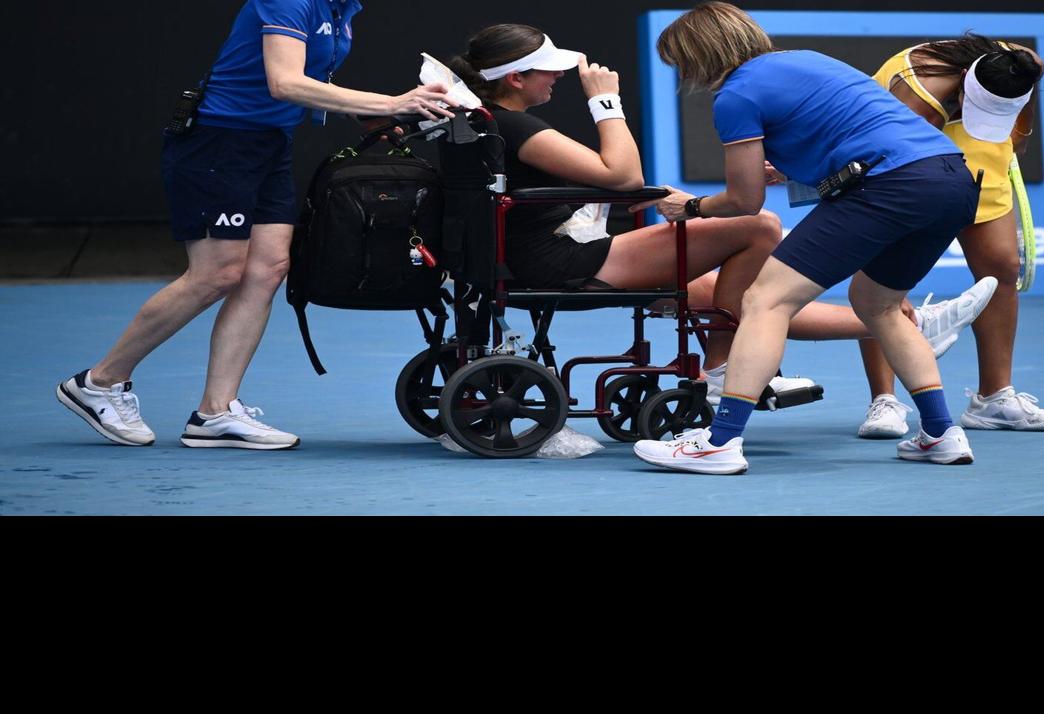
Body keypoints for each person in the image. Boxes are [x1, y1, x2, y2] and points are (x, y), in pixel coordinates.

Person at [443, 24, 993, 405]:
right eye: (550, 73)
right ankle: (723, 373)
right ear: (515, 78)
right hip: (554, 258)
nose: (559, 79)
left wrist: (657, 198)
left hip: (530, 251)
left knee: (724, 296)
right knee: (757, 229)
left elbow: (612, 187)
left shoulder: (483, 120)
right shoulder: (514, 126)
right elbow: (623, 177)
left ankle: (912, 326)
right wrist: (605, 101)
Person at [56, 0, 452, 449]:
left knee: (266, 270)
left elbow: (312, 78)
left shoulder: (344, 8)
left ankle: (216, 412)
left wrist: (368, 114)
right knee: (216, 274)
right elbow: (283, 82)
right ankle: (100, 382)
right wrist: (390, 101)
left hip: (269, 144)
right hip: (218, 142)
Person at [633, 2, 992, 474]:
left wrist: (692, 207)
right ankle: (941, 434)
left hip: (891, 184)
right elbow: (854, 135)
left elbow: (744, 201)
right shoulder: (810, 59)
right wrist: (793, 168)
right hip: (952, 181)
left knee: (764, 299)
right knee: (878, 303)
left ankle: (719, 443)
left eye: (679, 61)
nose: (681, 71)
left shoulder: (735, 96)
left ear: (697, 55)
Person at [854, 34, 1044, 438]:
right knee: (883, 284)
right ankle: (883, 400)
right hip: (905, 173)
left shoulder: (1018, 64)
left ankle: (994, 398)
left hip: (982, 170)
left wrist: (1018, 132)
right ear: (966, 86)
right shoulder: (916, 92)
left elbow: (1033, 74)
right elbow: (880, 156)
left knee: (1000, 272)